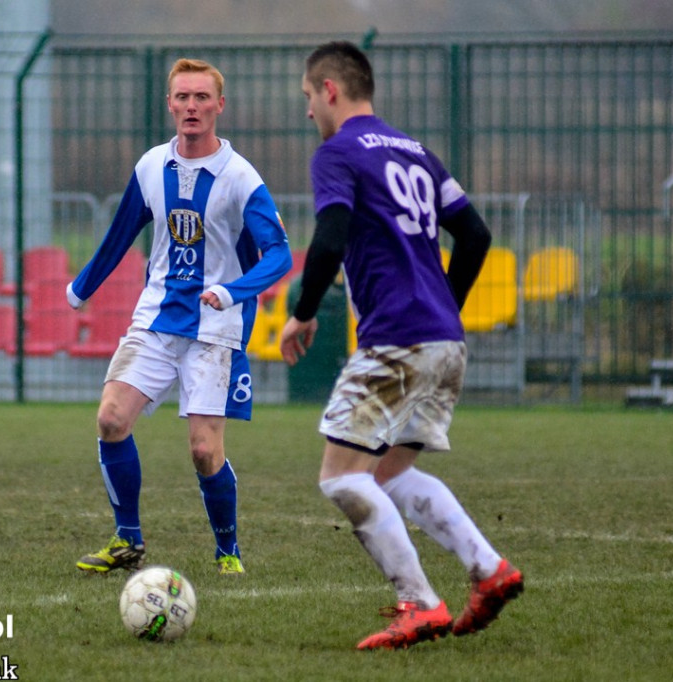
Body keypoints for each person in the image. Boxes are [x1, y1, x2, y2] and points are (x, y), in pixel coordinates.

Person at [279, 41, 523, 650]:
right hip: (445, 339)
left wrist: (302, 314)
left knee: (341, 478)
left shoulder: (337, 153)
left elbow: (330, 238)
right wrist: (444, 305)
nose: (309, 111)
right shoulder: (417, 151)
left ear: (329, 90)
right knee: (385, 474)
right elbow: (474, 233)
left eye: (309, 97)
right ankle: (489, 571)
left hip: (396, 338)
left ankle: (419, 603)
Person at [68, 58, 292, 577]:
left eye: (201, 98)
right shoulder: (151, 167)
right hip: (155, 317)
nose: (191, 106)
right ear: (169, 104)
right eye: (182, 97)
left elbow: (279, 254)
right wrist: (82, 287)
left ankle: (228, 551)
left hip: (215, 329)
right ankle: (127, 540)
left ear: (219, 106)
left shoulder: (239, 177)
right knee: (110, 418)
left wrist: (232, 291)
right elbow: (121, 231)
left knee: (203, 450)